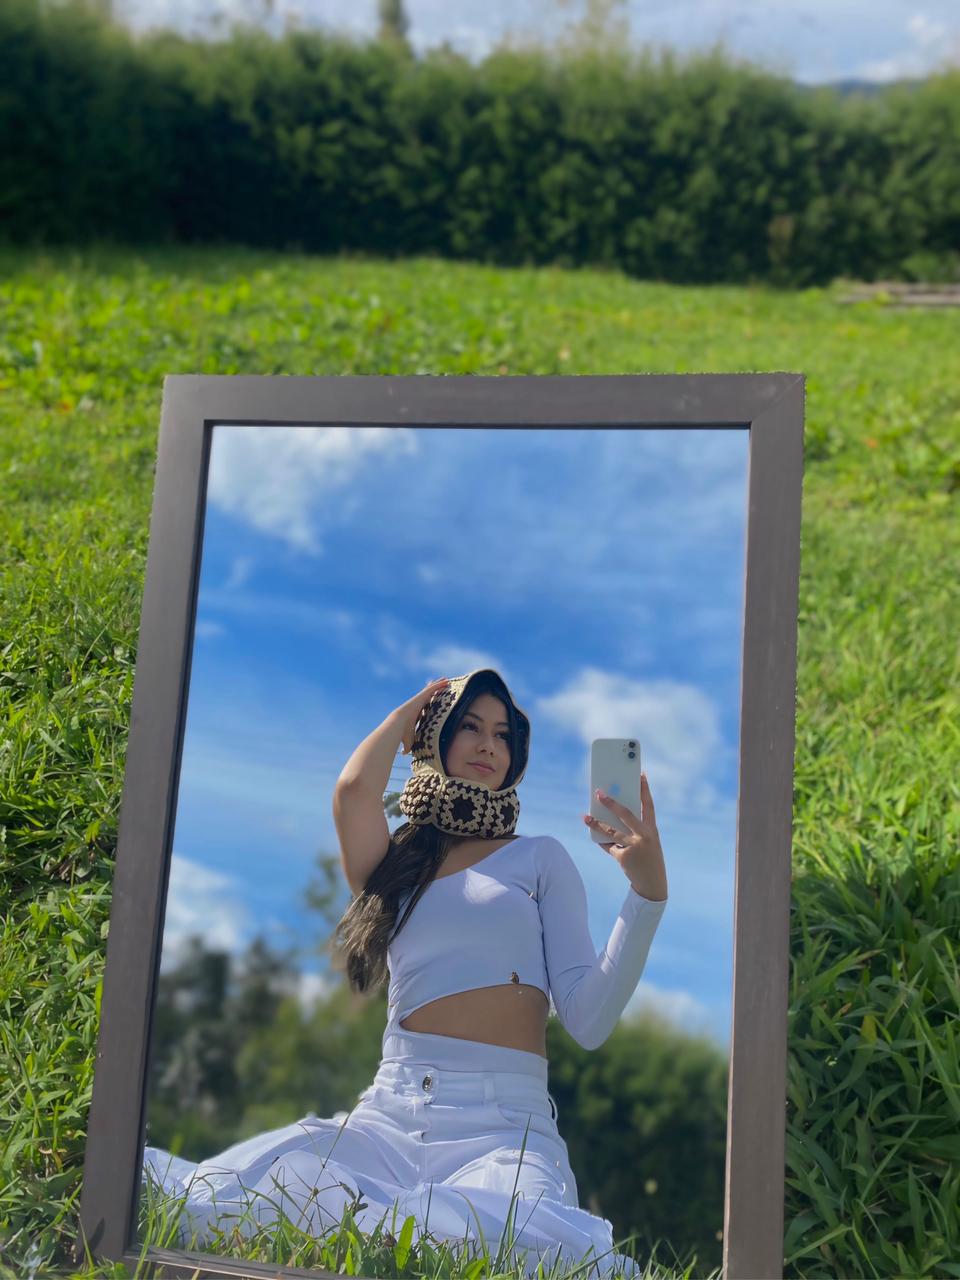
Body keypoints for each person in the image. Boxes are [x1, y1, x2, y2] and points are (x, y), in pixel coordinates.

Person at [142, 669, 669, 1277]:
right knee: (256, 1188)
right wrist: (409, 712)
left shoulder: (539, 857)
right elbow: (352, 791)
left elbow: (589, 1019)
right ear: (434, 736)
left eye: (503, 734)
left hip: (503, 1129)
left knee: (529, 1244)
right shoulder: (397, 864)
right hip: (392, 1115)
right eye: (469, 726)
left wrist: (647, 895)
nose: (488, 745)